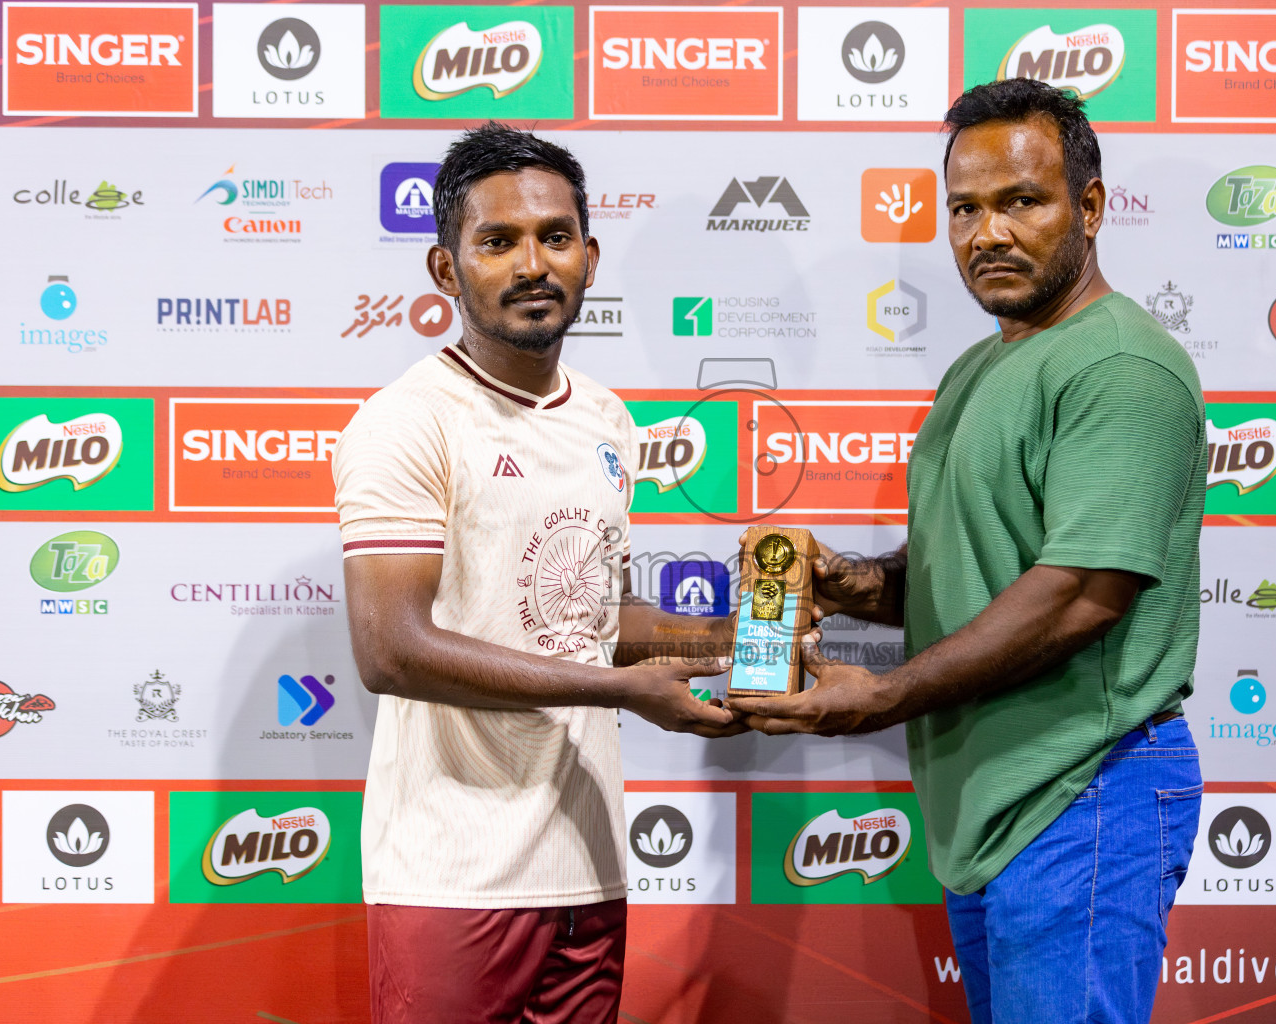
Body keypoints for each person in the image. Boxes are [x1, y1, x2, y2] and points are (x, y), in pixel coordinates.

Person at [729, 79, 1207, 1024]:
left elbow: (1080, 595)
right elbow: (963, 572)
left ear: (1092, 206)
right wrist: (848, 581)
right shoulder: (982, 365)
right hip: (996, 799)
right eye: (965, 208)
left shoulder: (1121, 365)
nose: (988, 233)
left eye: (1022, 202)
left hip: (1082, 791)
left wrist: (883, 696)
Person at [332, 123, 745, 1024]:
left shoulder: (604, 416)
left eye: (555, 237)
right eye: (497, 241)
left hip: (587, 865)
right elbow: (391, 651)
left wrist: (748, 638)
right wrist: (622, 692)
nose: (533, 264)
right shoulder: (407, 422)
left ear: (589, 257)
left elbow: (593, 613)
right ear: (447, 269)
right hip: (452, 876)